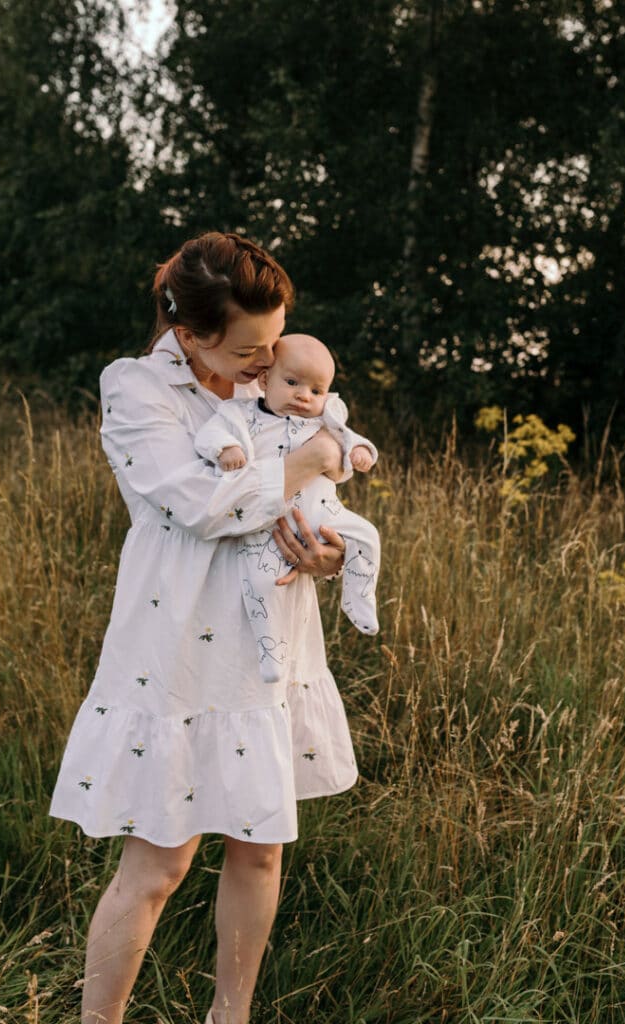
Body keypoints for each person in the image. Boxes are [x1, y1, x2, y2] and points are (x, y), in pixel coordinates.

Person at [49, 232, 358, 1024]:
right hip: (178, 639)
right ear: (189, 334)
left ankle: (231, 1016)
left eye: (275, 340)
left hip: (267, 633)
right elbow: (195, 503)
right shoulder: (137, 389)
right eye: (250, 349)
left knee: (258, 848)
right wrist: (311, 458)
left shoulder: (272, 380)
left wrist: (324, 552)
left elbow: (299, 504)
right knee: (160, 862)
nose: (268, 361)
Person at [192, 333, 380, 683]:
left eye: (315, 390)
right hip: (266, 522)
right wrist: (226, 448)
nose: (303, 396)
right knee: (262, 582)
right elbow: (210, 434)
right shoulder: (241, 414)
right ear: (265, 381)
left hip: (322, 513)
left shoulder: (326, 419)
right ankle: (271, 651)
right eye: (292, 383)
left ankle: (359, 595)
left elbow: (350, 440)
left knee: (367, 536)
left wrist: (361, 453)